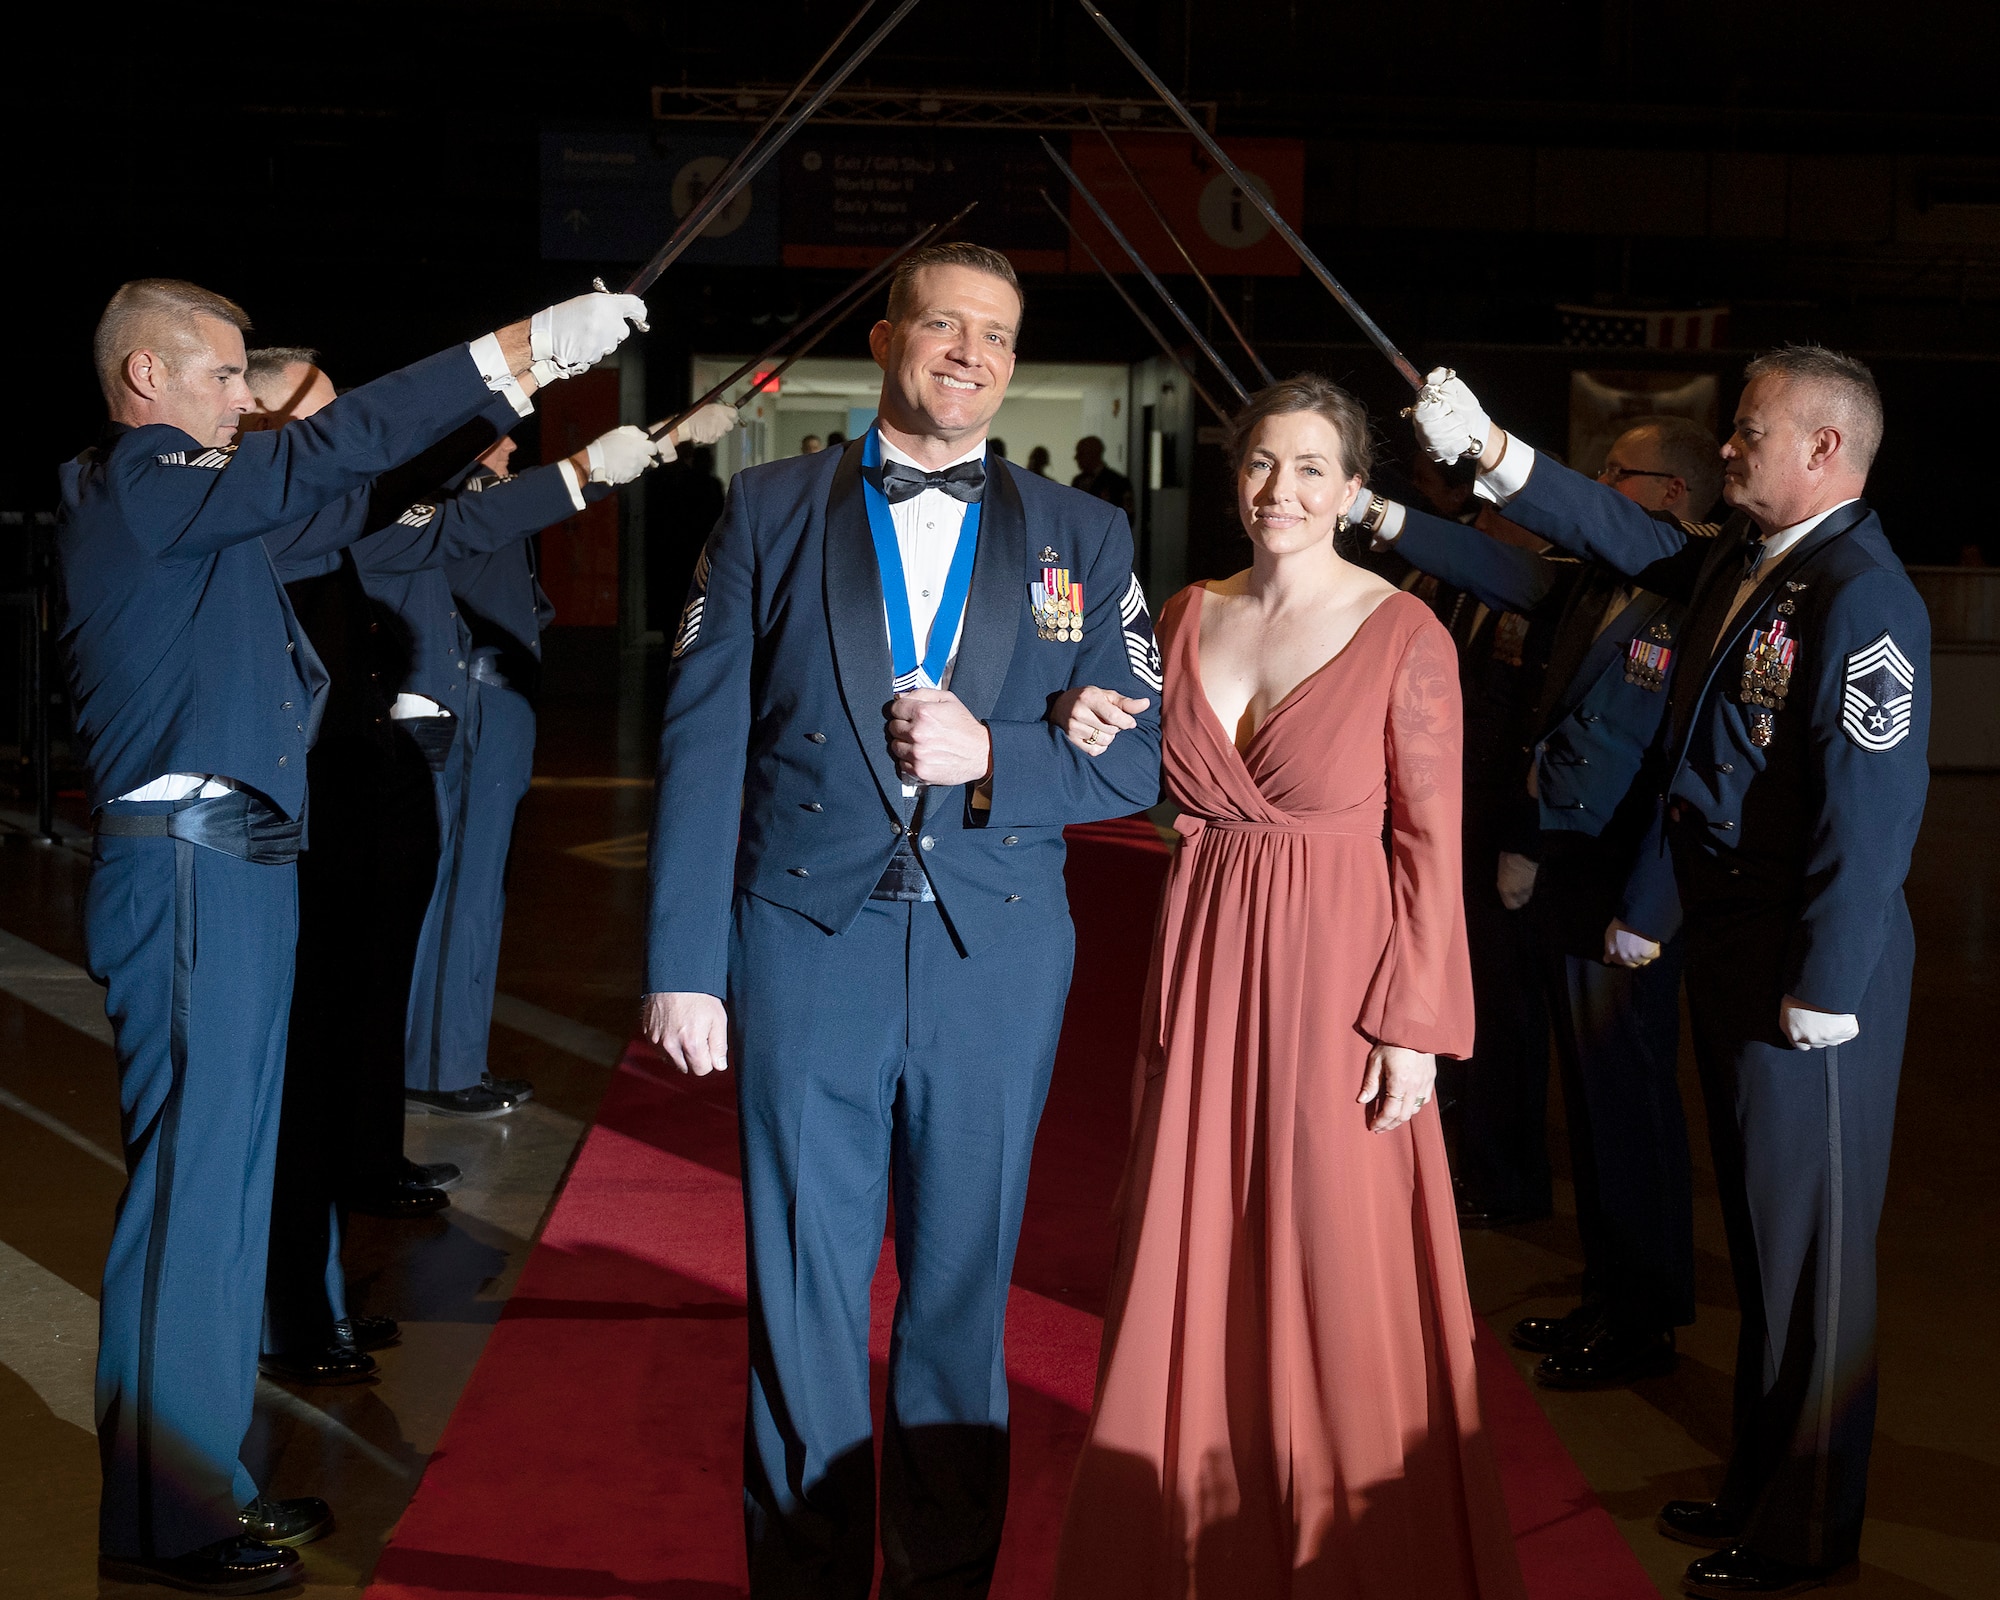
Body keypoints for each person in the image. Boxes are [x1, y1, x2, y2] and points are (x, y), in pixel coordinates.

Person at [61, 277, 644, 1594]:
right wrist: (517, 344)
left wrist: (520, 399)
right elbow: (331, 455)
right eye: (224, 380)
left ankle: (200, 1484)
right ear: (148, 380)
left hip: (243, 866)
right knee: (191, 1201)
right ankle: (161, 1518)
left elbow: (358, 495)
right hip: (193, 870)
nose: (244, 407)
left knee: (229, 1188)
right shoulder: (140, 482)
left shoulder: (201, 510)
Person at [641, 240, 1162, 1598]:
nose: (972, 354)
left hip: (996, 956)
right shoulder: (766, 506)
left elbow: (1139, 756)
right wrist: (684, 967)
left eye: (997, 335)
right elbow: (700, 746)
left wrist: (996, 752)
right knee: (806, 1292)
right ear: (886, 339)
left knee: (959, 1291)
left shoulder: (1083, 535)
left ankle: (944, 1581)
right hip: (806, 943)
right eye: (946, 325)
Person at [1412, 350, 1929, 1597]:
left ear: (1822, 449)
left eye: (1748, 433)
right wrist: (1491, 454)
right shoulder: (1751, 566)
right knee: (1762, 1242)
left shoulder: (1858, 592)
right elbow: (1603, 527)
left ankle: (1804, 1525)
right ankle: (1763, 1484)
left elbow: (1870, 814)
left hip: (1807, 968)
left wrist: (1829, 981)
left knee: (1811, 1263)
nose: (1729, 449)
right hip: (1736, 943)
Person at [1049, 375, 1525, 1600]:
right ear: (1234, 476)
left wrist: (1413, 1028)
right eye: (1263, 464)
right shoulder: (1182, 611)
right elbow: (1132, 780)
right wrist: (1067, 717)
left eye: (1312, 469)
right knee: (1189, 1235)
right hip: (1201, 960)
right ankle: (1188, 1532)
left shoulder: (1404, 630)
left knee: (1329, 1248)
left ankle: (1347, 1542)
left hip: (1338, 978)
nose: (1281, 490)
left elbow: (1431, 844)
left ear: (1354, 492)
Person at [1352, 414, 1724, 1391]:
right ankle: (1611, 1290)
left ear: (1668, 495)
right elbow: (1488, 566)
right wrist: (1372, 511)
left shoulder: (1689, 583)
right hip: (1570, 869)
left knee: (1629, 1105)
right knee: (1597, 1104)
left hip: (1628, 884)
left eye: (1617, 473)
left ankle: (1643, 1310)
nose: (1597, 485)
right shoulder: (1595, 585)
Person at [1071, 433, 1134, 516]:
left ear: (1093, 454)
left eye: (1081, 453)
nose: (1076, 457)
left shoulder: (1117, 482)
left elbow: (1127, 515)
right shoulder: (1078, 481)